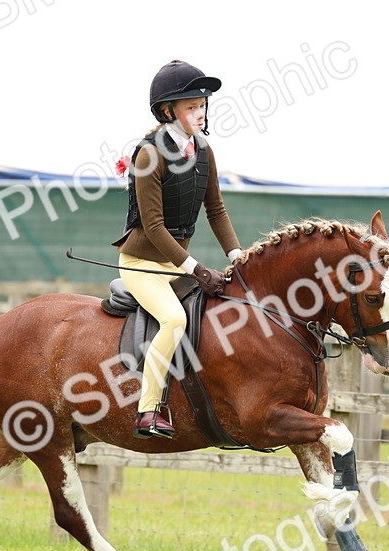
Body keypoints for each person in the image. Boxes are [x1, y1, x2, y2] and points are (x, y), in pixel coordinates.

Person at [112, 59, 244, 440]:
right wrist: (196, 269)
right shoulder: (148, 155)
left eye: (203, 105)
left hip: (175, 264)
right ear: (168, 111)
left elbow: (216, 210)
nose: (201, 113)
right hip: (141, 264)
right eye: (192, 107)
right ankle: (148, 410)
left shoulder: (204, 151)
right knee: (174, 320)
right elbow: (153, 227)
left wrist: (238, 257)